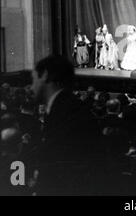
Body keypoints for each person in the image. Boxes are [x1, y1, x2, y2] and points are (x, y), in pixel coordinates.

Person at [30, 55, 102, 195]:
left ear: (44, 75)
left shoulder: (68, 113)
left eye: (33, 80)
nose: (32, 87)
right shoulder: (65, 108)